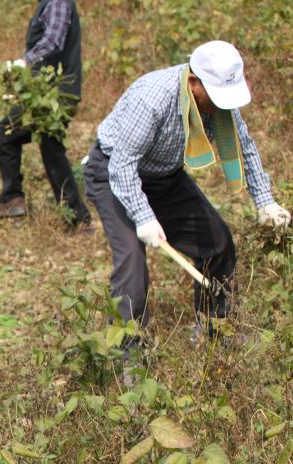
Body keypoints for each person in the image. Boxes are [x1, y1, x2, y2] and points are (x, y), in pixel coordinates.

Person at [83, 40, 290, 347]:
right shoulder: (152, 99)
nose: (223, 106)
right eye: (217, 96)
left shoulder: (218, 104)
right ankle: (126, 356)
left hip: (164, 177)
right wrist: (144, 218)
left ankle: (216, 331)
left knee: (217, 242)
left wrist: (265, 202)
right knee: (132, 266)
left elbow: (244, 147)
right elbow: (122, 165)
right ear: (193, 82)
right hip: (112, 173)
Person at [0, 0, 92, 231]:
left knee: (4, 136)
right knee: (48, 150)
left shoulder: (58, 3)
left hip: (55, 95)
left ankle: (15, 199)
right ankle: (75, 218)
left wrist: (24, 62)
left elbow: (53, 40)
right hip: (49, 93)